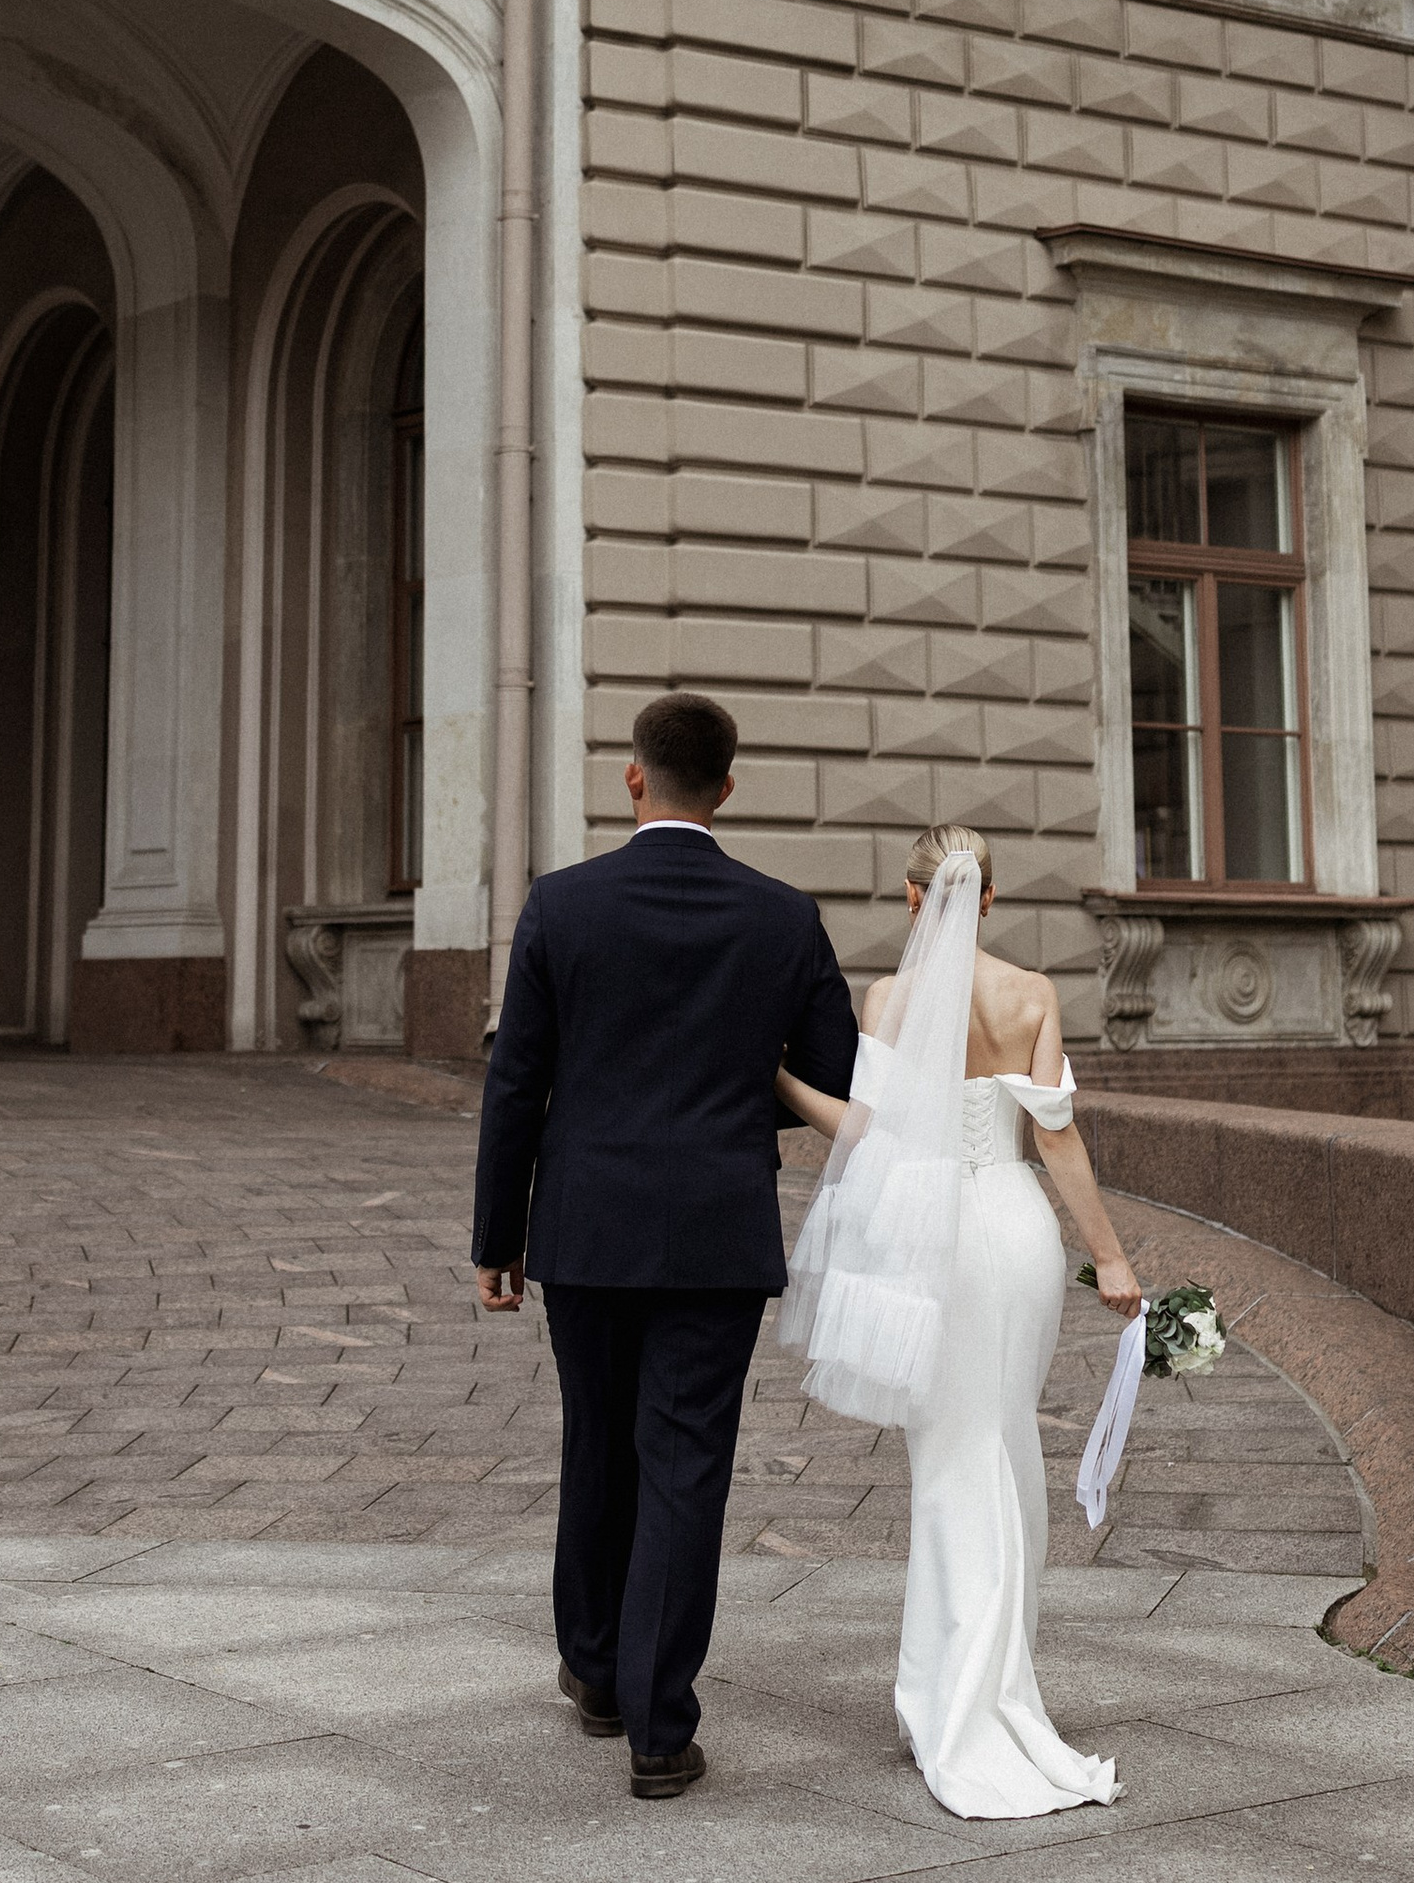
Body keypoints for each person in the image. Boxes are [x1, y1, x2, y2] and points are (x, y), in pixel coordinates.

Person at [471, 691, 858, 1800]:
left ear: (632, 779)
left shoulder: (562, 905)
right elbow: (831, 1078)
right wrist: (736, 1097)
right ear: (726, 790)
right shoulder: (783, 915)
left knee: (596, 1443)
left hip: (584, 1228)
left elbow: (516, 1084)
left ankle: (594, 1671)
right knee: (683, 1464)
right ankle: (657, 1724)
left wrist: (497, 1235)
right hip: (714, 1229)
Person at [774, 823, 1145, 1822]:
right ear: (988, 899)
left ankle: (948, 1695)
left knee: (948, 1460)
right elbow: (1058, 1142)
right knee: (1003, 1446)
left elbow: (868, 1132)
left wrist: (773, 1078)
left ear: (911, 899)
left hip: (932, 1239)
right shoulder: (1032, 994)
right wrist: (1108, 1254)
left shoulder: (887, 1001)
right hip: (1017, 1229)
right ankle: (982, 1686)